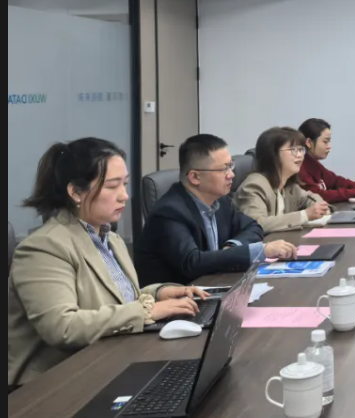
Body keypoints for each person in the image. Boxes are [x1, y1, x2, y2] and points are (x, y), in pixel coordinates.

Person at [8, 139, 208, 387]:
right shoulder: (44, 247)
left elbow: (113, 299)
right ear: (76, 192)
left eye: (124, 184)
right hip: (54, 385)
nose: (124, 196)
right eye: (113, 186)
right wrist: (147, 311)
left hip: (107, 362)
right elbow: (63, 327)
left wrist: (159, 293)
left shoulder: (110, 237)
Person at [135, 134, 298, 287]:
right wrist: (260, 250)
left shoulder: (220, 200)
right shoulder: (168, 213)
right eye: (223, 169)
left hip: (215, 285)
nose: (231, 174)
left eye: (231, 166)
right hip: (180, 298)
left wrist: (232, 247)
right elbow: (192, 262)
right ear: (195, 177)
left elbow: (253, 226)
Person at [234, 127, 331, 233]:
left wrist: (320, 209)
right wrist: (305, 215)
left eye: (301, 149)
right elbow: (256, 224)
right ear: (273, 154)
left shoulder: (289, 185)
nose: (300, 155)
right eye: (293, 150)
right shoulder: (255, 186)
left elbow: (311, 198)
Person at [298, 119, 355, 202]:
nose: (329, 146)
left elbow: (336, 181)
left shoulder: (314, 164)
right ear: (309, 143)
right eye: (325, 142)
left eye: (329, 141)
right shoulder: (300, 170)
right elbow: (320, 196)